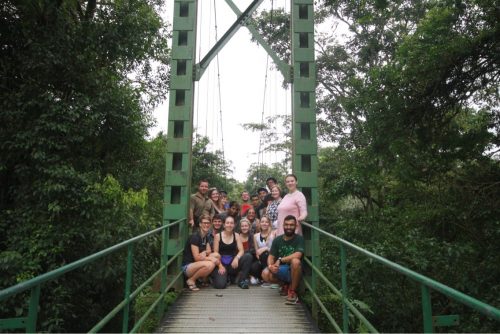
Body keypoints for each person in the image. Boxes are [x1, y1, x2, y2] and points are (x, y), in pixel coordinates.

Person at [261, 215, 304, 304]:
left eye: (291, 225)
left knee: (295, 261)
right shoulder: (277, 240)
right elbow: (271, 256)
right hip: (280, 269)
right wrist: (270, 266)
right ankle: (285, 285)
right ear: (283, 226)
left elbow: (298, 254)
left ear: (295, 226)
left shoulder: (299, 239)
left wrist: (280, 260)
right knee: (265, 273)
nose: (288, 227)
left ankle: (292, 291)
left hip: (293, 269)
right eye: (286, 225)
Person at [182, 214, 221, 291]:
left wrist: (205, 252)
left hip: (198, 264)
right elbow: (196, 258)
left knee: (217, 255)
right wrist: (210, 259)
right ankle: (191, 280)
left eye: (208, 223)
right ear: (200, 224)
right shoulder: (195, 237)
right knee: (210, 264)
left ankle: (202, 279)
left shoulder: (205, 236)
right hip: (188, 267)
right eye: (204, 223)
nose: (206, 225)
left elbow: (209, 251)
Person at [213, 216, 253, 289]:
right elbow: (215, 254)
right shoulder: (218, 236)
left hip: (233, 263)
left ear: (234, 225)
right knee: (220, 285)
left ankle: (242, 280)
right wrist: (220, 266)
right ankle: (227, 277)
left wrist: (237, 258)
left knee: (248, 256)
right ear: (224, 225)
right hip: (221, 263)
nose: (229, 225)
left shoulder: (236, 235)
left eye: (231, 223)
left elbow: (241, 250)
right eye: (227, 223)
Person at [254, 215, 275, 282]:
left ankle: (268, 274)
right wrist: (260, 254)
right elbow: (257, 252)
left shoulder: (273, 234)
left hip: (272, 258)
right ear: (260, 224)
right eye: (262, 222)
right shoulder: (255, 236)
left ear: (269, 223)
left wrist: (265, 248)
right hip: (262, 259)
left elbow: (275, 249)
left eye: (266, 222)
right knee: (254, 266)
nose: (264, 223)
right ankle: (262, 277)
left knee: (266, 253)